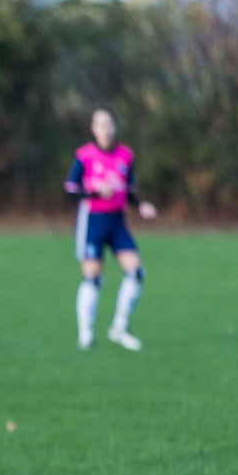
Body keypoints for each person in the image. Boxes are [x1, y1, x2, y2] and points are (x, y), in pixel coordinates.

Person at [65, 108, 156, 351]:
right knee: (93, 278)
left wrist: (140, 205)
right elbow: (70, 191)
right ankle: (86, 333)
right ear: (93, 128)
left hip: (117, 221)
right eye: (100, 124)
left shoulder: (126, 155)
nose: (106, 129)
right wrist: (95, 192)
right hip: (93, 220)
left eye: (109, 124)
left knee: (137, 273)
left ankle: (119, 327)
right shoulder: (84, 156)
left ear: (115, 127)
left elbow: (129, 190)